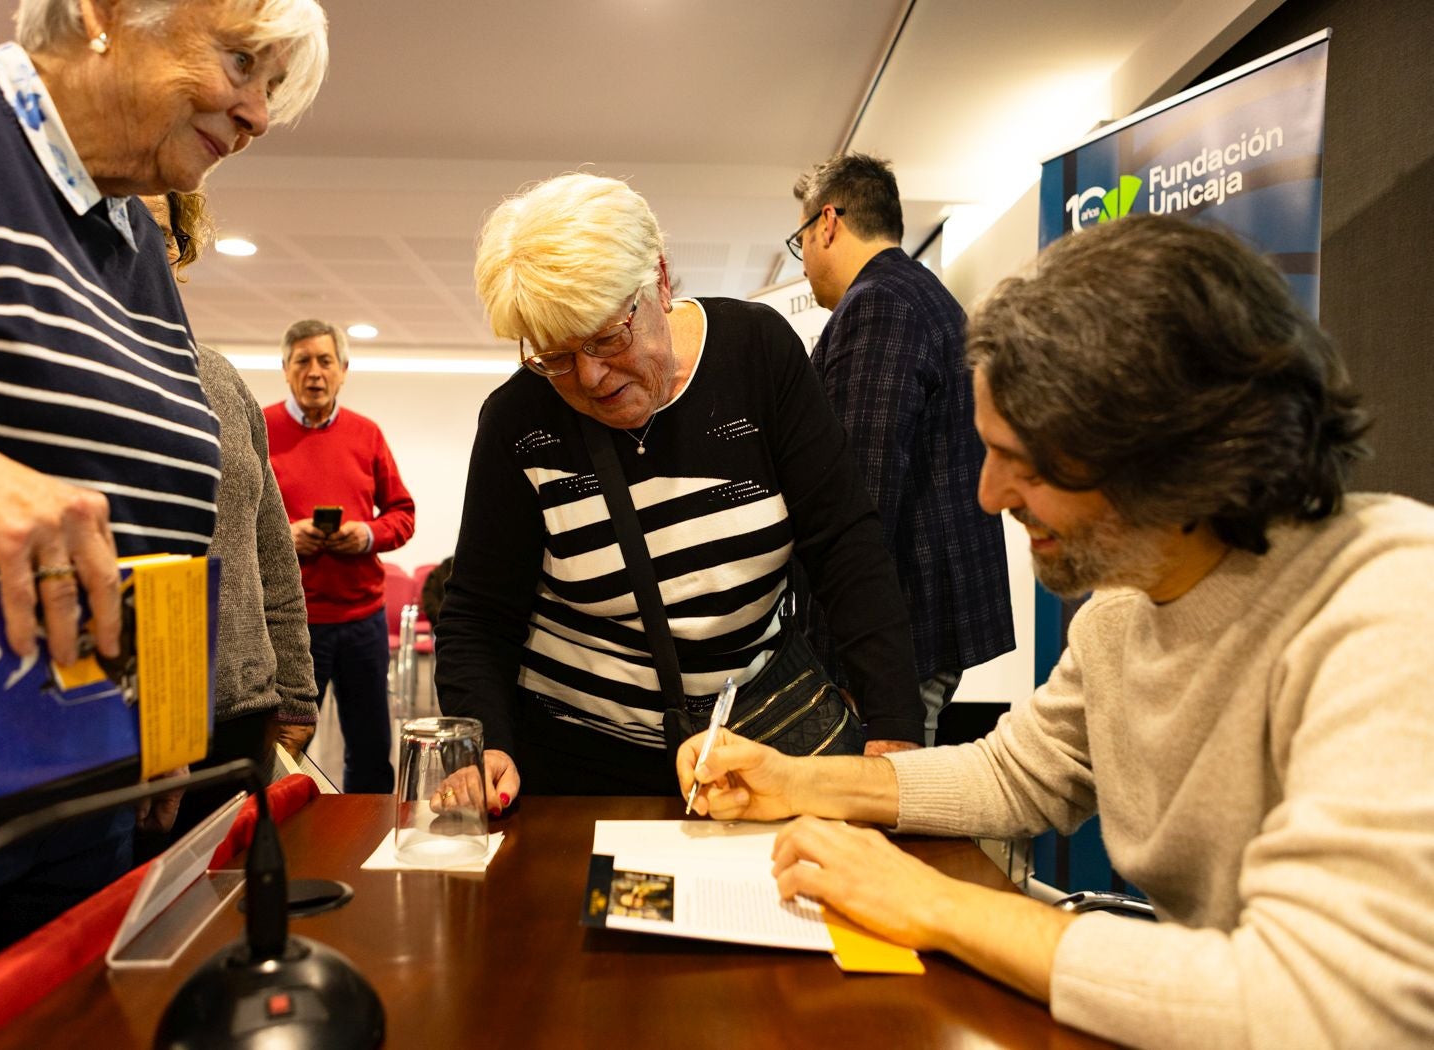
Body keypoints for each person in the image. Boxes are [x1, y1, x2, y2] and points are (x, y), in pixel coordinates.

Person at [678, 215, 1434, 1047]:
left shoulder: (1391, 608)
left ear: (1175, 456)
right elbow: (1016, 774)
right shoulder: (1125, 604)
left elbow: (1323, 1003)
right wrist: (796, 783)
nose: (989, 496)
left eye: (1028, 466)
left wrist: (926, 901)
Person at [0, 0, 327, 996]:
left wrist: (164, 717)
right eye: (242, 62)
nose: (255, 116)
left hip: (85, 798)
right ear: (104, 12)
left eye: (273, 92)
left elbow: (155, 509)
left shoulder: (134, 250)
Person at [435, 172, 924, 809]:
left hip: (749, 749)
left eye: (607, 337)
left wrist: (893, 726)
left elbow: (844, 546)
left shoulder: (758, 356)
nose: (589, 376)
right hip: (572, 761)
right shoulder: (518, 420)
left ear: (660, 281)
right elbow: (478, 613)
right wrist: (486, 742)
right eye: (554, 355)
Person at [791, 153, 1012, 742]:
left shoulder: (879, 303)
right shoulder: (919, 294)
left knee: (885, 811)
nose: (806, 259)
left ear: (828, 223)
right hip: (918, 620)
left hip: (895, 632)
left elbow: (861, 488)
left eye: (801, 239)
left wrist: (839, 656)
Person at [138, 192, 318, 841]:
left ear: (177, 251)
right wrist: (151, 722)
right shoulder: (56, 372)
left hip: (240, 710)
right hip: (130, 734)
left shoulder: (219, 378)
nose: (135, 246)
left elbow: (269, 548)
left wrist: (295, 692)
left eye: (155, 232)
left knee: (236, 913)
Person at [264, 320, 415, 793]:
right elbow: (233, 519)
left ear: (343, 370)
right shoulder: (260, 429)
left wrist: (366, 536)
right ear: (286, 369)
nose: (314, 372)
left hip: (362, 621)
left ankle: (366, 843)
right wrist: (284, 537)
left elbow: (402, 514)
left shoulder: (366, 434)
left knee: (371, 751)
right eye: (303, 361)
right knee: (282, 749)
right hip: (290, 624)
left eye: (325, 361)